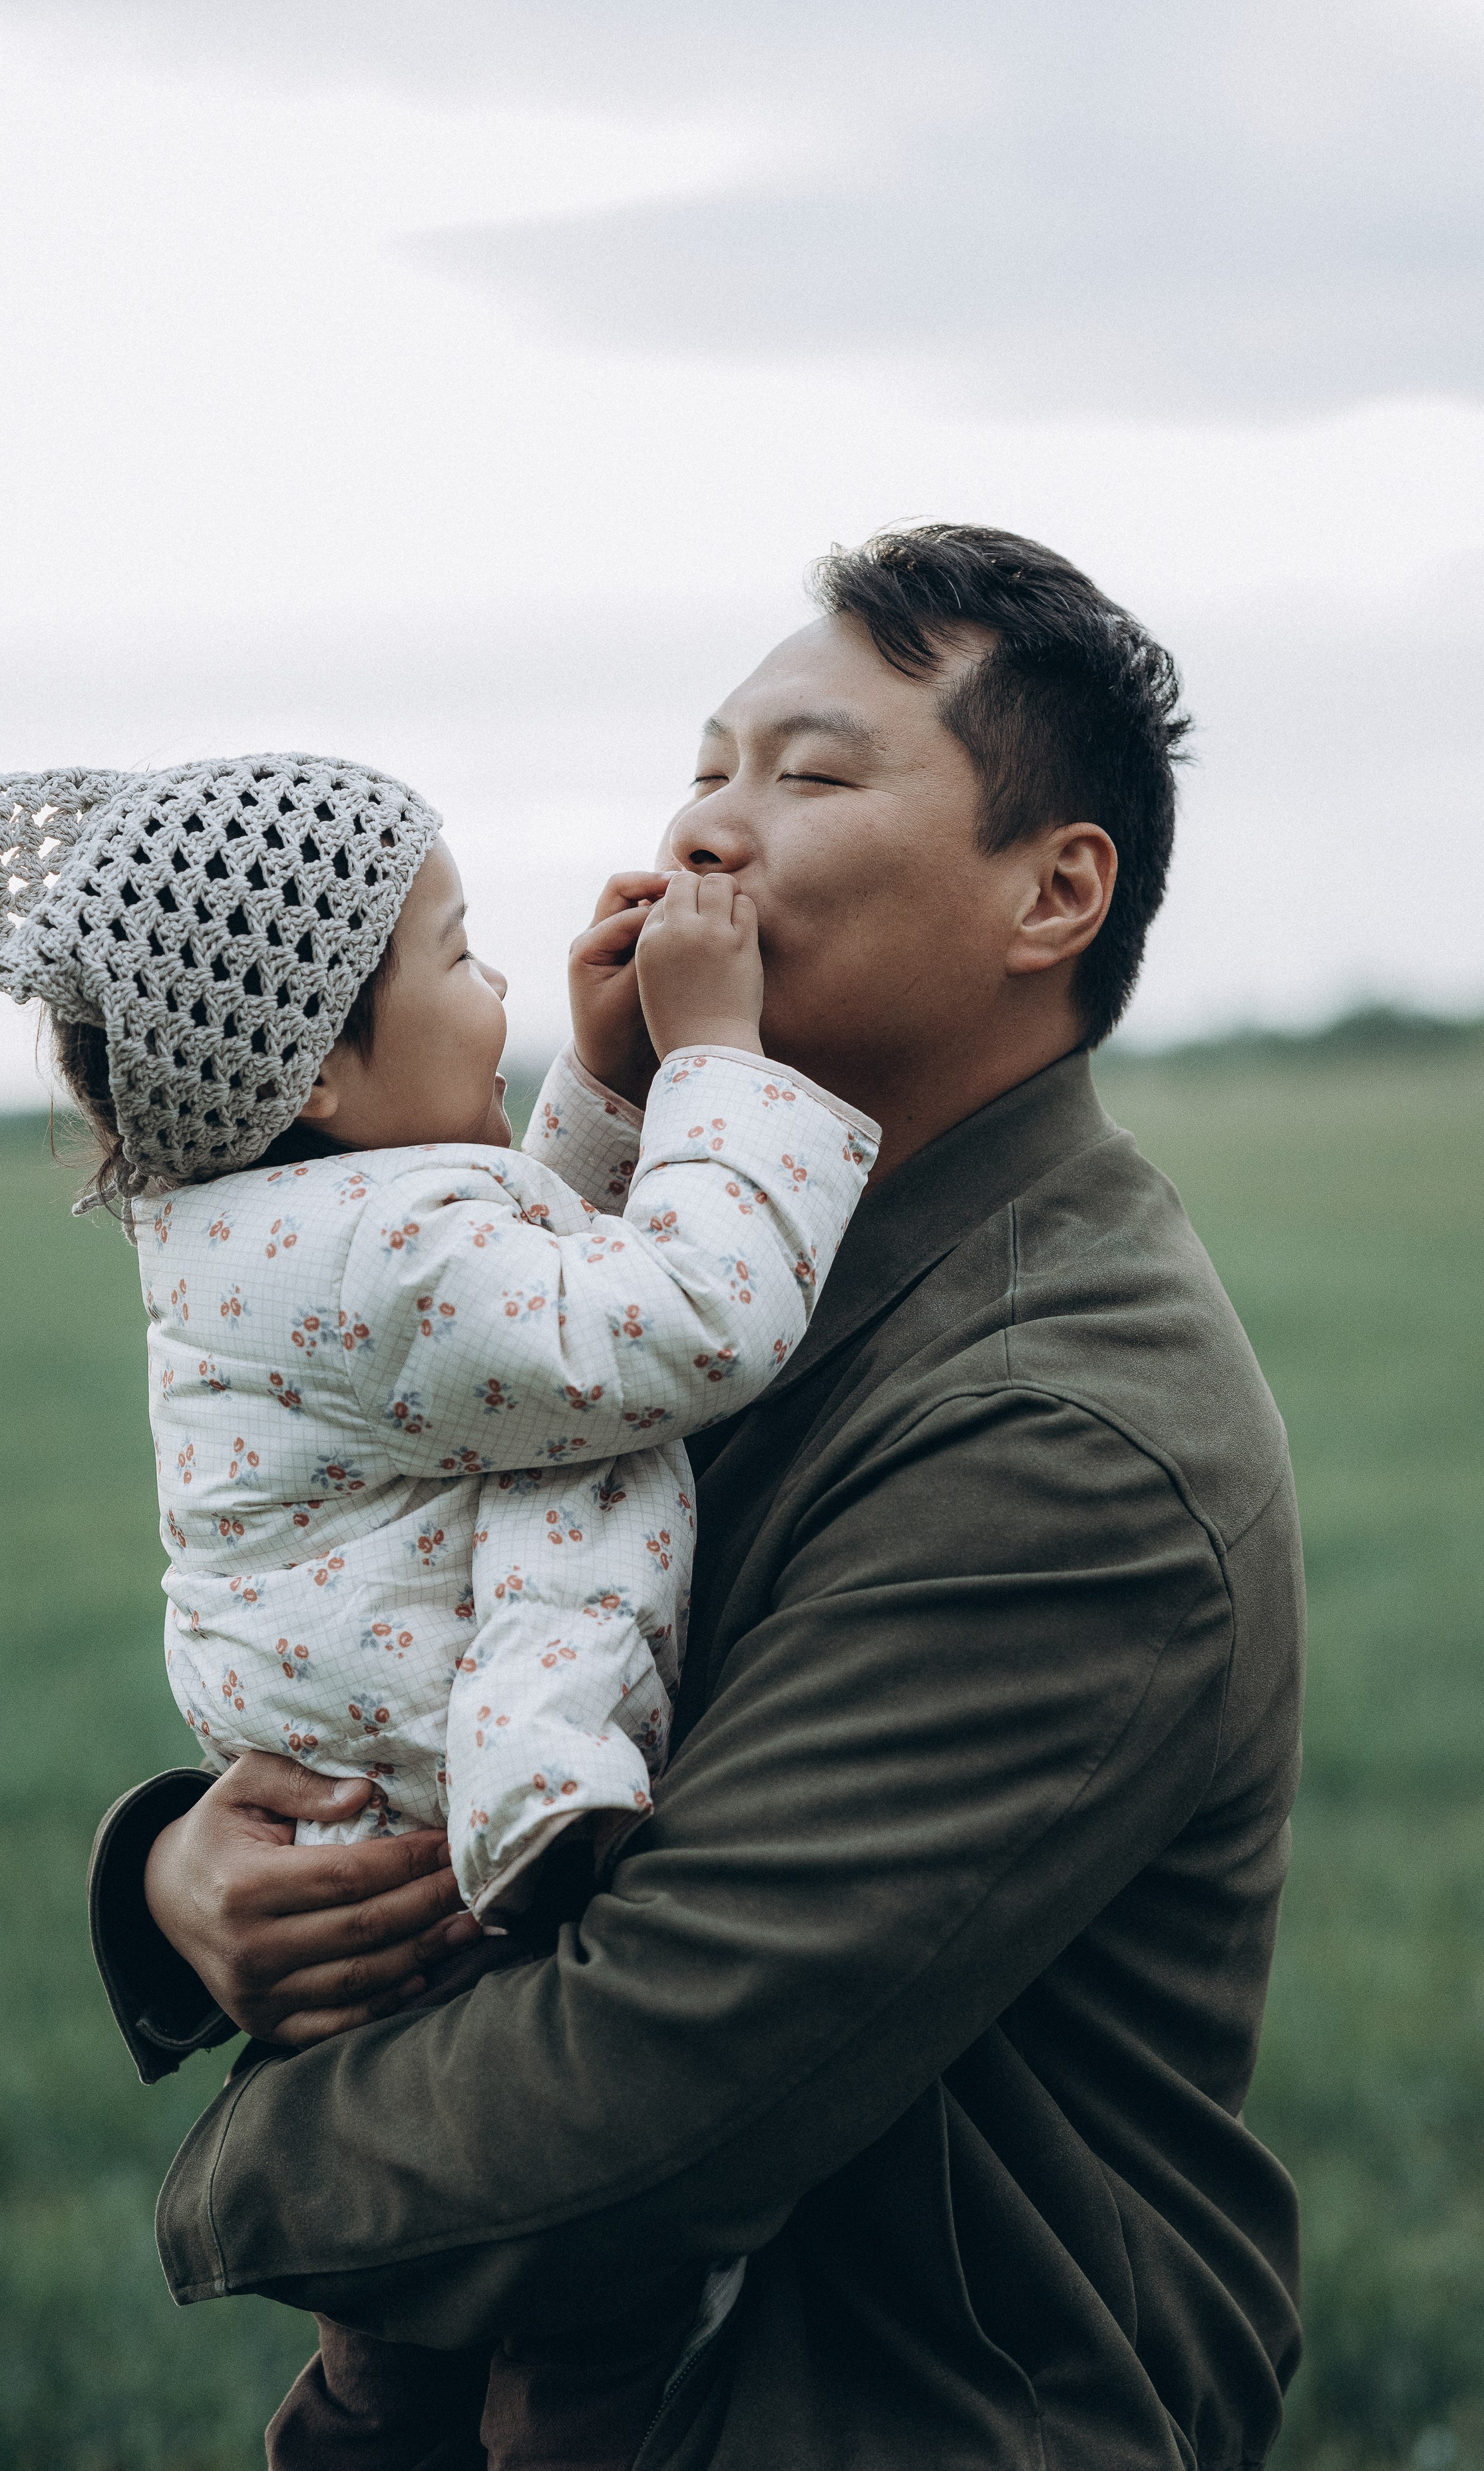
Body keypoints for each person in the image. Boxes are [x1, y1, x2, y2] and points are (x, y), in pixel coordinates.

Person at [89, 526, 1306, 2471]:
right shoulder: (708, 1256)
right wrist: (183, 1889)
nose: (711, 830)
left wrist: (241, 2167)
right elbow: (465, 1609)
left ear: (1053, 892)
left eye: (810, 775)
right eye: (710, 764)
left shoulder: (1066, 1431)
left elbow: (642, 2095)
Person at [0, 750, 876, 2466]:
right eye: (459, 953)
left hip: (351, 1799)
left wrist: (594, 1073)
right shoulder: (386, 1260)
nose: (497, 985)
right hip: (449, 1822)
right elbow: (664, 1322)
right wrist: (723, 1065)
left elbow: (519, 1280)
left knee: (400, 2358)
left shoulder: (291, 1226)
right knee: (587, 2341)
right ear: (325, 1070)